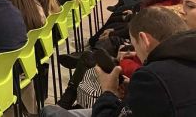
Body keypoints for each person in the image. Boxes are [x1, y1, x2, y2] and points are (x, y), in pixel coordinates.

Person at [42, 7, 196, 117]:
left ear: (144, 40)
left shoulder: (155, 76)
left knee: (50, 112)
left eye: (134, 44)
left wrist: (108, 91)